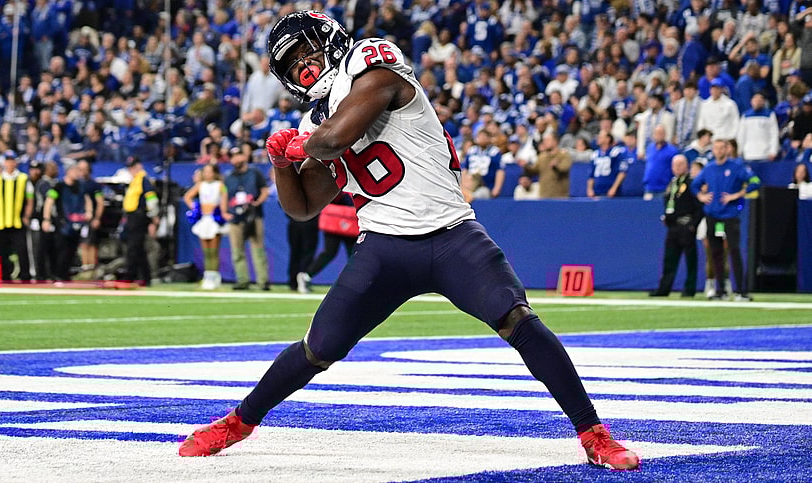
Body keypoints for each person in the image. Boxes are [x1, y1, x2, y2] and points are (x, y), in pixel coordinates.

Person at [179, 11, 640, 471]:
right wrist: (280, 164)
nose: (304, 63)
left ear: (331, 39)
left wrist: (299, 147)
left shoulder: (372, 61)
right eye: (292, 61)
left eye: (306, 49)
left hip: (451, 233)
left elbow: (337, 136)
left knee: (517, 319)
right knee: (317, 347)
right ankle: (237, 424)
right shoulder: (314, 120)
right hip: (385, 245)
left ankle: (593, 433)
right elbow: (302, 206)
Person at [691, 139, 760, 301]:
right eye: (716, 148)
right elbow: (695, 185)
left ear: (727, 150)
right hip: (712, 215)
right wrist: (701, 196)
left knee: (734, 251)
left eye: (722, 148)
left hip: (730, 215)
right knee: (715, 253)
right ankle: (720, 289)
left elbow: (755, 181)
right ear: (713, 150)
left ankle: (741, 290)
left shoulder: (736, 167)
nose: (719, 151)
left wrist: (738, 195)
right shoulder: (709, 168)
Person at [649, 155, 703, 297]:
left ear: (686, 166)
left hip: (686, 224)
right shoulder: (672, 183)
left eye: (680, 164)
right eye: (675, 165)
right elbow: (669, 201)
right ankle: (664, 288)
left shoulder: (692, 183)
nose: (677, 167)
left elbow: (699, 205)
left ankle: (689, 289)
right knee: (669, 259)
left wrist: (694, 225)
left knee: (690, 259)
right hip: (672, 227)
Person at [223, 145, 270, 290]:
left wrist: (257, 203)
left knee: (258, 248)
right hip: (235, 217)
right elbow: (225, 195)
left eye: (238, 155)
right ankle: (242, 279)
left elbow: (264, 190)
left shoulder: (254, 173)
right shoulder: (228, 177)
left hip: (253, 215)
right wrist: (224, 211)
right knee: (237, 250)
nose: (236, 159)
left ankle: (263, 281)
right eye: (233, 157)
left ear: (244, 157)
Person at [297, 192, 358, 294]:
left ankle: (355, 283)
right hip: (333, 221)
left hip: (351, 222)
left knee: (353, 255)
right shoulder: (338, 186)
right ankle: (306, 276)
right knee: (329, 252)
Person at [0, 151, 33, 281]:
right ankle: (4, 276)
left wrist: (26, 216)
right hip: (1, 221)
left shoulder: (23, 178)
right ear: (4, 162)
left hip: (17, 220)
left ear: (15, 162)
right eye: (8, 160)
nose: (10, 163)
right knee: (1, 251)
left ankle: (25, 276)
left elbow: (30, 200)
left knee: (22, 250)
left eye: (12, 160)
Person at [183, 163, 231, 290]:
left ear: (215, 173)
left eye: (210, 171)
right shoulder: (200, 185)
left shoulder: (221, 186)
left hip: (215, 219)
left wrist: (224, 212)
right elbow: (187, 196)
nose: (208, 174)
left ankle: (214, 275)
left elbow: (224, 199)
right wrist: (195, 208)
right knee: (206, 251)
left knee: (214, 250)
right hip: (204, 218)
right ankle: (208, 275)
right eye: (206, 171)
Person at [42, 163, 92, 281]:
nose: (77, 173)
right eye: (75, 170)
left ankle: (65, 273)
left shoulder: (81, 186)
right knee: (61, 250)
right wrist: (46, 219)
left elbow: (87, 200)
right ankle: (58, 274)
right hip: (62, 223)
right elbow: (49, 202)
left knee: (72, 250)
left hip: (77, 223)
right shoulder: (58, 186)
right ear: (68, 171)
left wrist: (89, 213)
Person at [121, 156, 159, 286]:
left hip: (139, 216)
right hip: (132, 216)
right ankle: (146, 276)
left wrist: (153, 217)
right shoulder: (135, 181)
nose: (131, 170)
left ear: (139, 166)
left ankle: (130, 275)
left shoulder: (143, 179)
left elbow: (152, 199)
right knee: (139, 248)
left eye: (133, 167)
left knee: (133, 247)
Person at [522, 132, 571, 198]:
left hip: (559, 196)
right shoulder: (542, 157)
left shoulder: (563, 155)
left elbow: (565, 168)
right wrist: (525, 166)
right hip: (544, 195)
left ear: (555, 141)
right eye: (544, 140)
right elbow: (534, 170)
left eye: (547, 140)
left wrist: (556, 166)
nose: (545, 142)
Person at [77, 161, 105, 276]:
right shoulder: (76, 184)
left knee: (90, 243)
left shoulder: (94, 185)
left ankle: (90, 268)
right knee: (82, 243)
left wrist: (97, 218)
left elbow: (100, 202)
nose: (82, 172)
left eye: (85, 169)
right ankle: (85, 267)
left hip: (90, 218)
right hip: (78, 218)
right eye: (80, 169)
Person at [736, 93, 779, 163]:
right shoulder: (745, 116)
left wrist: (773, 151)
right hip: (749, 154)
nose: (757, 102)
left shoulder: (770, 115)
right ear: (751, 101)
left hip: (765, 154)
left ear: (763, 102)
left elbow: (774, 134)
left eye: (759, 100)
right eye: (755, 100)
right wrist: (739, 150)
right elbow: (741, 134)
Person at [587, 130, 629, 198]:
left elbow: (622, 172)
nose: (598, 138)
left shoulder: (616, 152)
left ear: (608, 139)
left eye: (601, 137)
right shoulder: (595, 154)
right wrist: (590, 189)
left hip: (611, 191)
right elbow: (591, 175)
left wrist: (614, 188)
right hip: (597, 191)